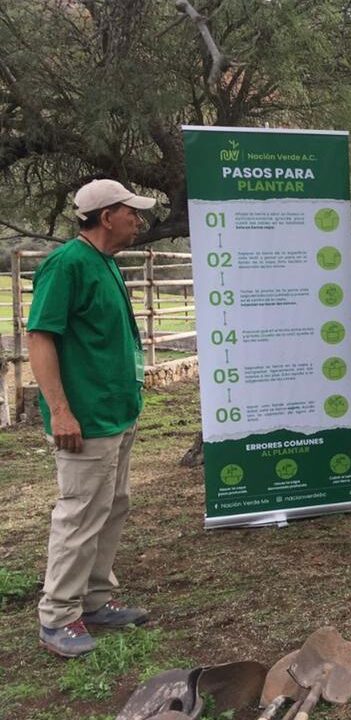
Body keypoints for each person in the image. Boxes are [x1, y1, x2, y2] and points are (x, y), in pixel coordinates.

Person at [27, 179, 155, 657]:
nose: (138, 220)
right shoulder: (67, 265)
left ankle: (95, 598)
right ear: (106, 217)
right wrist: (61, 411)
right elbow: (41, 337)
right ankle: (58, 615)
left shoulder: (104, 263)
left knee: (111, 507)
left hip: (116, 412)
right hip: (86, 418)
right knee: (79, 514)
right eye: (131, 212)